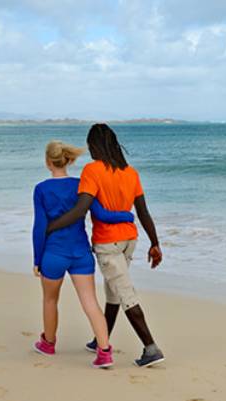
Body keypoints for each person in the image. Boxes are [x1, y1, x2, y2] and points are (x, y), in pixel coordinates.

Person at [45, 124, 165, 367]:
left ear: (94, 146)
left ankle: (151, 348)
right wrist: (155, 243)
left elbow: (81, 208)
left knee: (124, 293)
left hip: (108, 242)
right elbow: (143, 211)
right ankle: (101, 339)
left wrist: (52, 226)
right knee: (113, 292)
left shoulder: (92, 170)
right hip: (129, 240)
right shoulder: (130, 172)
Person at [32, 140, 135, 368]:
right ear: (68, 160)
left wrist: (37, 259)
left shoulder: (41, 189)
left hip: (53, 254)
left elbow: (39, 227)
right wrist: (127, 217)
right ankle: (105, 352)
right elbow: (102, 215)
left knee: (50, 299)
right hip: (80, 253)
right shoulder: (81, 185)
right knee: (90, 302)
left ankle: (48, 343)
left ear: (48, 162)